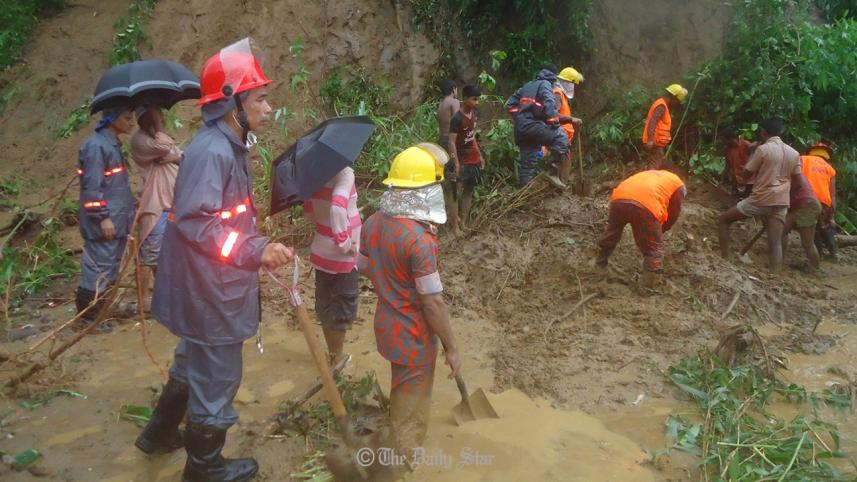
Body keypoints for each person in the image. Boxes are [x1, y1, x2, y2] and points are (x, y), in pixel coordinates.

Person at [137, 40, 294, 482]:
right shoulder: (214, 152)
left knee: (192, 360)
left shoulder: (228, 145)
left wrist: (256, 244)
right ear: (231, 103)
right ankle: (205, 468)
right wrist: (255, 250)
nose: (268, 107)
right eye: (260, 98)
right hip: (211, 289)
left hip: (205, 284)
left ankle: (158, 435)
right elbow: (198, 224)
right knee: (217, 377)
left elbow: (225, 218)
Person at [357, 145, 462, 464]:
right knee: (412, 399)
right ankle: (403, 459)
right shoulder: (419, 240)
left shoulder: (372, 222)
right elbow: (432, 303)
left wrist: (392, 280)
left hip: (387, 324)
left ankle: (399, 436)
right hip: (413, 333)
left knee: (402, 383)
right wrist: (452, 347)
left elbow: (363, 266)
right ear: (427, 191)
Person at [75, 104, 136, 332]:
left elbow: (114, 186)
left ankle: (100, 312)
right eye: (127, 117)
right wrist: (103, 218)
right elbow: (92, 187)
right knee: (98, 268)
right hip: (105, 223)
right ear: (112, 119)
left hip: (117, 220)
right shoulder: (96, 146)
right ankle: (88, 318)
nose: (132, 122)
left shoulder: (111, 145)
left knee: (108, 268)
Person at [717, 117, 800, 273]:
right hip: (781, 202)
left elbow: (746, 173)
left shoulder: (763, 149)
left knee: (723, 220)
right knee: (775, 242)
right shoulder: (794, 153)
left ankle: (724, 260)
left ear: (763, 132)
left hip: (761, 199)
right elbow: (799, 181)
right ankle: (775, 276)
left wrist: (751, 158)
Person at [304, 164, 361, 367]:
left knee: (326, 302)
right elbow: (337, 207)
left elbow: (309, 210)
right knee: (342, 306)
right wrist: (344, 243)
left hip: (321, 248)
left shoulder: (314, 172)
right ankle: (337, 358)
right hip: (341, 256)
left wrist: (324, 225)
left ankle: (332, 353)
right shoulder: (344, 173)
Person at [593, 170, 686, 288]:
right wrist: (661, 230)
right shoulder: (679, 185)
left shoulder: (652, 175)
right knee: (654, 249)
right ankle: (650, 285)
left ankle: (598, 263)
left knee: (612, 232)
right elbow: (674, 213)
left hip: (618, 199)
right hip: (646, 205)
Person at [129, 104, 182, 310]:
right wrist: (158, 125)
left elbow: (182, 156)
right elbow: (165, 147)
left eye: (160, 115)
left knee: (164, 257)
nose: (160, 118)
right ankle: (142, 302)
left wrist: (175, 157)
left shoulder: (160, 138)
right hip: (156, 208)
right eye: (155, 115)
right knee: (148, 257)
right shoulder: (140, 140)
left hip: (171, 207)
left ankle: (163, 298)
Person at [506, 64, 568, 189]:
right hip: (533, 126)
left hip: (521, 130)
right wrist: (554, 123)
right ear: (554, 77)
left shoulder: (527, 85)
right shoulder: (545, 84)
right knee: (561, 137)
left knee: (527, 164)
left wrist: (520, 117)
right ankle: (552, 172)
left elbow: (510, 104)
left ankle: (524, 192)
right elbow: (549, 103)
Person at [446, 84, 484, 233]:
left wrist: (479, 155)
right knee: (455, 192)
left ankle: (464, 223)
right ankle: (455, 227)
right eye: (474, 99)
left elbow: (472, 136)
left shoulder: (473, 114)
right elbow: (451, 142)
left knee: (469, 190)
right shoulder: (457, 119)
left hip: (473, 159)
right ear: (466, 99)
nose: (477, 102)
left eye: (478, 99)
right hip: (461, 159)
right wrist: (455, 162)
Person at [801, 142, 838, 260]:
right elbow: (832, 193)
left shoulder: (803, 159)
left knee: (812, 228)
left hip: (807, 198)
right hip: (824, 202)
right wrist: (832, 213)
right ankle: (833, 252)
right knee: (823, 226)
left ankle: (817, 256)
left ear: (811, 151)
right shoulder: (830, 169)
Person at [782, 169, 821, 272]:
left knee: (808, 243)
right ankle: (779, 258)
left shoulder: (788, 174)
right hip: (807, 205)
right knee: (781, 231)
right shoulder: (794, 173)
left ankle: (814, 269)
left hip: (806, 206)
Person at [642, 84, 687, 169]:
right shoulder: (661, 106)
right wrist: (650, 140)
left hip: (657, 143)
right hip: (654, 143)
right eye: (677, 101)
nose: (676, 104)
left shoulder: (665, 106)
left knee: (656, 164)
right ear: (673, 97)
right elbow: (653, 121)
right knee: (654, 167)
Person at [554, 67, 584, 183]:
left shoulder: (561, 95)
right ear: (567, 83)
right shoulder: (557, 94)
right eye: (572, 84)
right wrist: (572, 120)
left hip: (563, 137)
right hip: (559, 136)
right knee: (563, 165)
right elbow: (553, 115)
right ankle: (559, 190)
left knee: (564, 165)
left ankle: (559, 188)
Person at [720, 127, 754, 198]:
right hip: (736, 181)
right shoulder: (727, 149)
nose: (723, 142)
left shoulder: (746, 145)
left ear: (729, 139)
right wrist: (722, 181)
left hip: (748, 181)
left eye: (724, 140)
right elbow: (727, 166)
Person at [436, 79, 459, 151]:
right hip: (451, 140)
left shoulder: (440, 104)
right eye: (456, 89)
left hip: (441, 140)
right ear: (453, 89)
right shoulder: (454, 101)